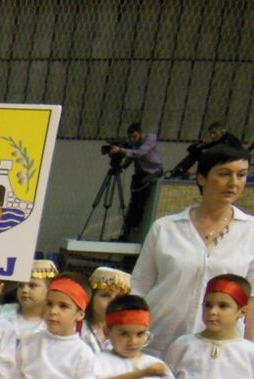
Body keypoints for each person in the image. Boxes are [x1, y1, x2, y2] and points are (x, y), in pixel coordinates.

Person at [131, 145, 254, 357]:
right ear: (202, 178)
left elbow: (251, 301)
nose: (234, 183)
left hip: (219, 352)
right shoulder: (166, 227)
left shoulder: (251, 231)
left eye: (241, 175)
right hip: (157, 343)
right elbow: (139, 286)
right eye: (224, 174)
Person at [108, 122, 163, 242]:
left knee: (140, 204)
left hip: (152, 171)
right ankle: (125, 233)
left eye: (134, 137)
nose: (132, 140)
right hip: (139, 174)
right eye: (130, 137)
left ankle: (135, 230)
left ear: (140, 133)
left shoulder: (149, 140)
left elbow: (139, 153)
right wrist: (122, 166)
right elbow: (131, 156)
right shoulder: (133, 145)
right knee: (133, 204)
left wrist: (121, 150)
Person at [0, 259, 56, 341]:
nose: (24, 290)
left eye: (32, 285)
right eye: (21, 285)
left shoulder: (53, 324)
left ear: (50, 289)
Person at [81, 266, 131, 354]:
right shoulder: (76, 329)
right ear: (91, 297)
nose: (112, 302)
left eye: (119, 297)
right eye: (105, 295)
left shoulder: (128, 333)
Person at [166, 122, 243, 179]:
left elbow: (220, 157)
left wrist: (197, 171)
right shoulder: (215, 140)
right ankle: (177, 172)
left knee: (211, 156)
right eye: (210, 133)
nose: (212, 135)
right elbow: (191, 150)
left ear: (222, 132)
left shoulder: (228, 140)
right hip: (216, 161)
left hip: (230, 163)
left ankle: (199, 174)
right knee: (195, 153)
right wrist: (201, 142)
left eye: (214, 133)